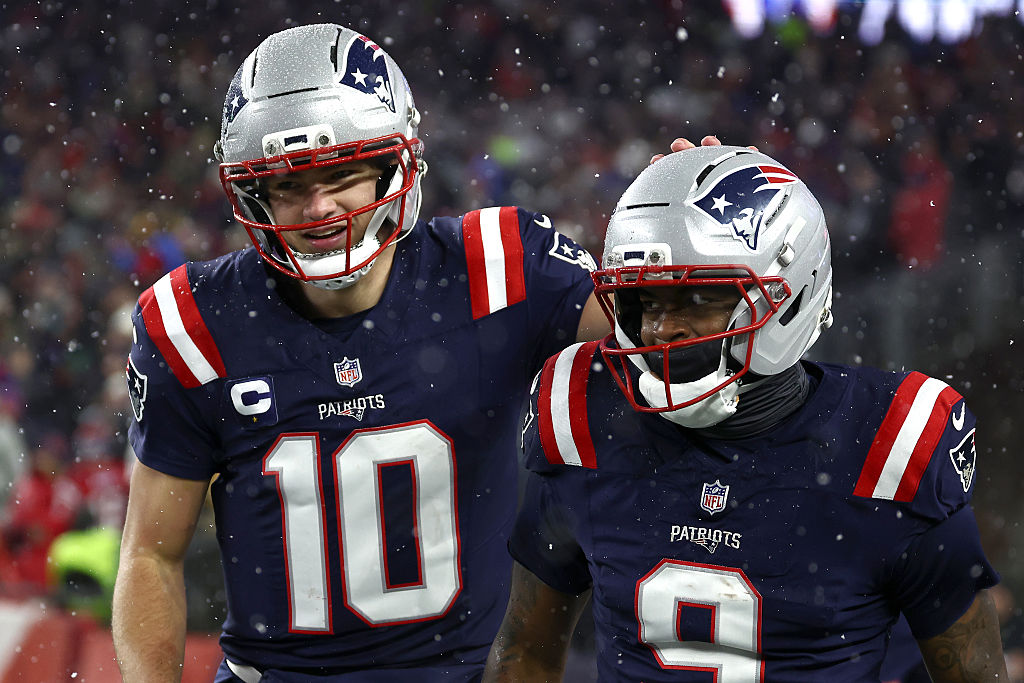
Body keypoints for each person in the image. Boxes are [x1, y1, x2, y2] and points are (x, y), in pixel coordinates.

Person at [111, 22, 705, 681]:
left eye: (342, 174)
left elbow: (665, 335)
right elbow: (151, 554)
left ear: (398, 161)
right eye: (287, 184)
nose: (319, 208)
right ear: (250, 192)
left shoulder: (496, 268)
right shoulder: (194, 322)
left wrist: (692, 245)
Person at [484, 146, 1008, 682]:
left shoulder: (890, 448)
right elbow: (525, 650)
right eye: (647, 301)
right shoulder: (586, 418)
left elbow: (973, 674)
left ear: (790, 296)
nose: (664, 330)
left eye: (698, 299)